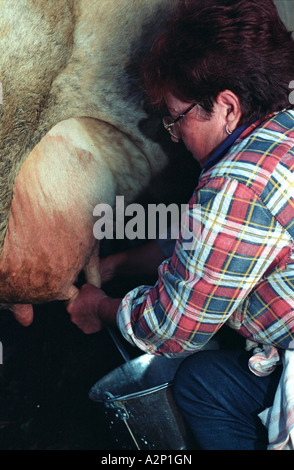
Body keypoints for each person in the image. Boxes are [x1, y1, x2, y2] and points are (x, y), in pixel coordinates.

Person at [67, 0, 294, 450]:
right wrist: (122, 264)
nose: (175, 134)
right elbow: (211, 245)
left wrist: (98, 306)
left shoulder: (235, 186)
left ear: (227, 107)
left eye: (176, 119)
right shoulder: (282, 131)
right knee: (203, 383)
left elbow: (169, 330)